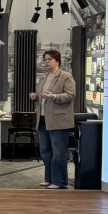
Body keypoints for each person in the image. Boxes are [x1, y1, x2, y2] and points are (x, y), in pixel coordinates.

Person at [31, 49, 76, 189]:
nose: (46, 62)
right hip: (43, 118)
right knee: (45, 151)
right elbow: (43, 97)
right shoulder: (43, 78)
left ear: (57, 61)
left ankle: (59, 181)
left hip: (58, 120)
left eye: (49, 59)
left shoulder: (66, 76)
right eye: (45, 59)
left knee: (58, 152)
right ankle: (49, 178)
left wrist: (54, 96)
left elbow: (71, 95)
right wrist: (36, 97)